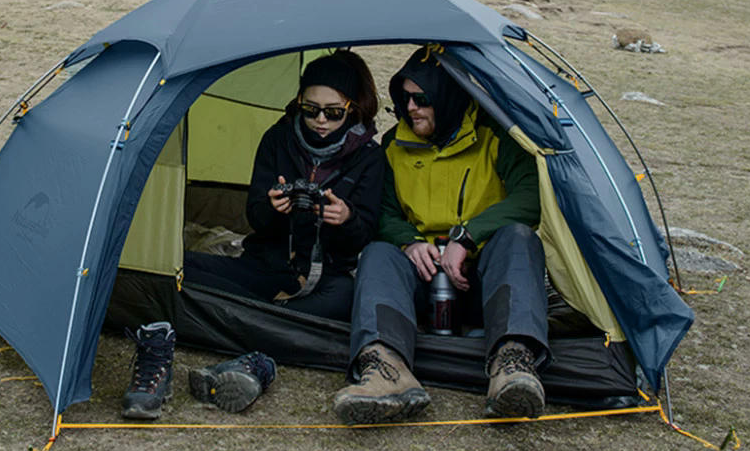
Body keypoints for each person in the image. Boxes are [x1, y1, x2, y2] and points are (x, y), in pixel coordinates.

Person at [333, 45, 549, 424]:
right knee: (380, 253)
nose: (411, 107)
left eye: (422, 98)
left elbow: (532, 197)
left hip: (484, 281)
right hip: (424, 282)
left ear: (449, 97)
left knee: (518, 237)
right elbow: (383, 213)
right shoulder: (394, 146)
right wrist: (410, 242)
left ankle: (512, 363)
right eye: (405, 98)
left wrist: (467, 239)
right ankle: (386, 370)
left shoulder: (496, 136)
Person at [182, 50, 383, 321]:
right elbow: (256, 216)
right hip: (266, 264)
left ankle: (248, 314)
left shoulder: (369, 156)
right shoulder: (278, 139)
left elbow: (366, 234)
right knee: (181, 268)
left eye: (333, 112)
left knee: (346, 297)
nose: (321, 120)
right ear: (299, 101)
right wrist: (273, 207)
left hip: (327, 276)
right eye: (311, 109)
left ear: (351, 107)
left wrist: (347, 218)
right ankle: (276, 318)